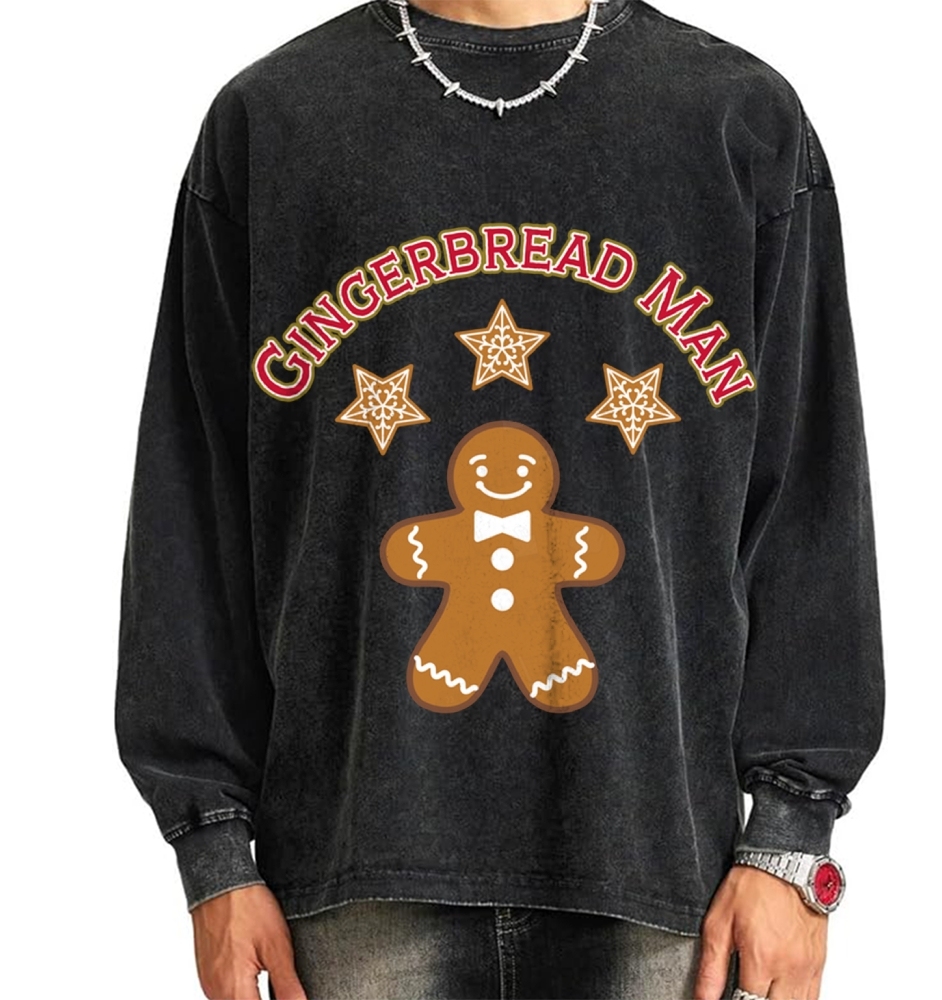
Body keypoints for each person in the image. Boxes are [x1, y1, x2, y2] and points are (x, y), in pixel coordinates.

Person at [114, 0, 885, 997]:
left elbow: (812, 498)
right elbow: (191, 500)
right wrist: (212, 851)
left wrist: (791, 842)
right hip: (352, 877)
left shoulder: (736, 119)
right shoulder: (275, 120)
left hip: (661, 877)